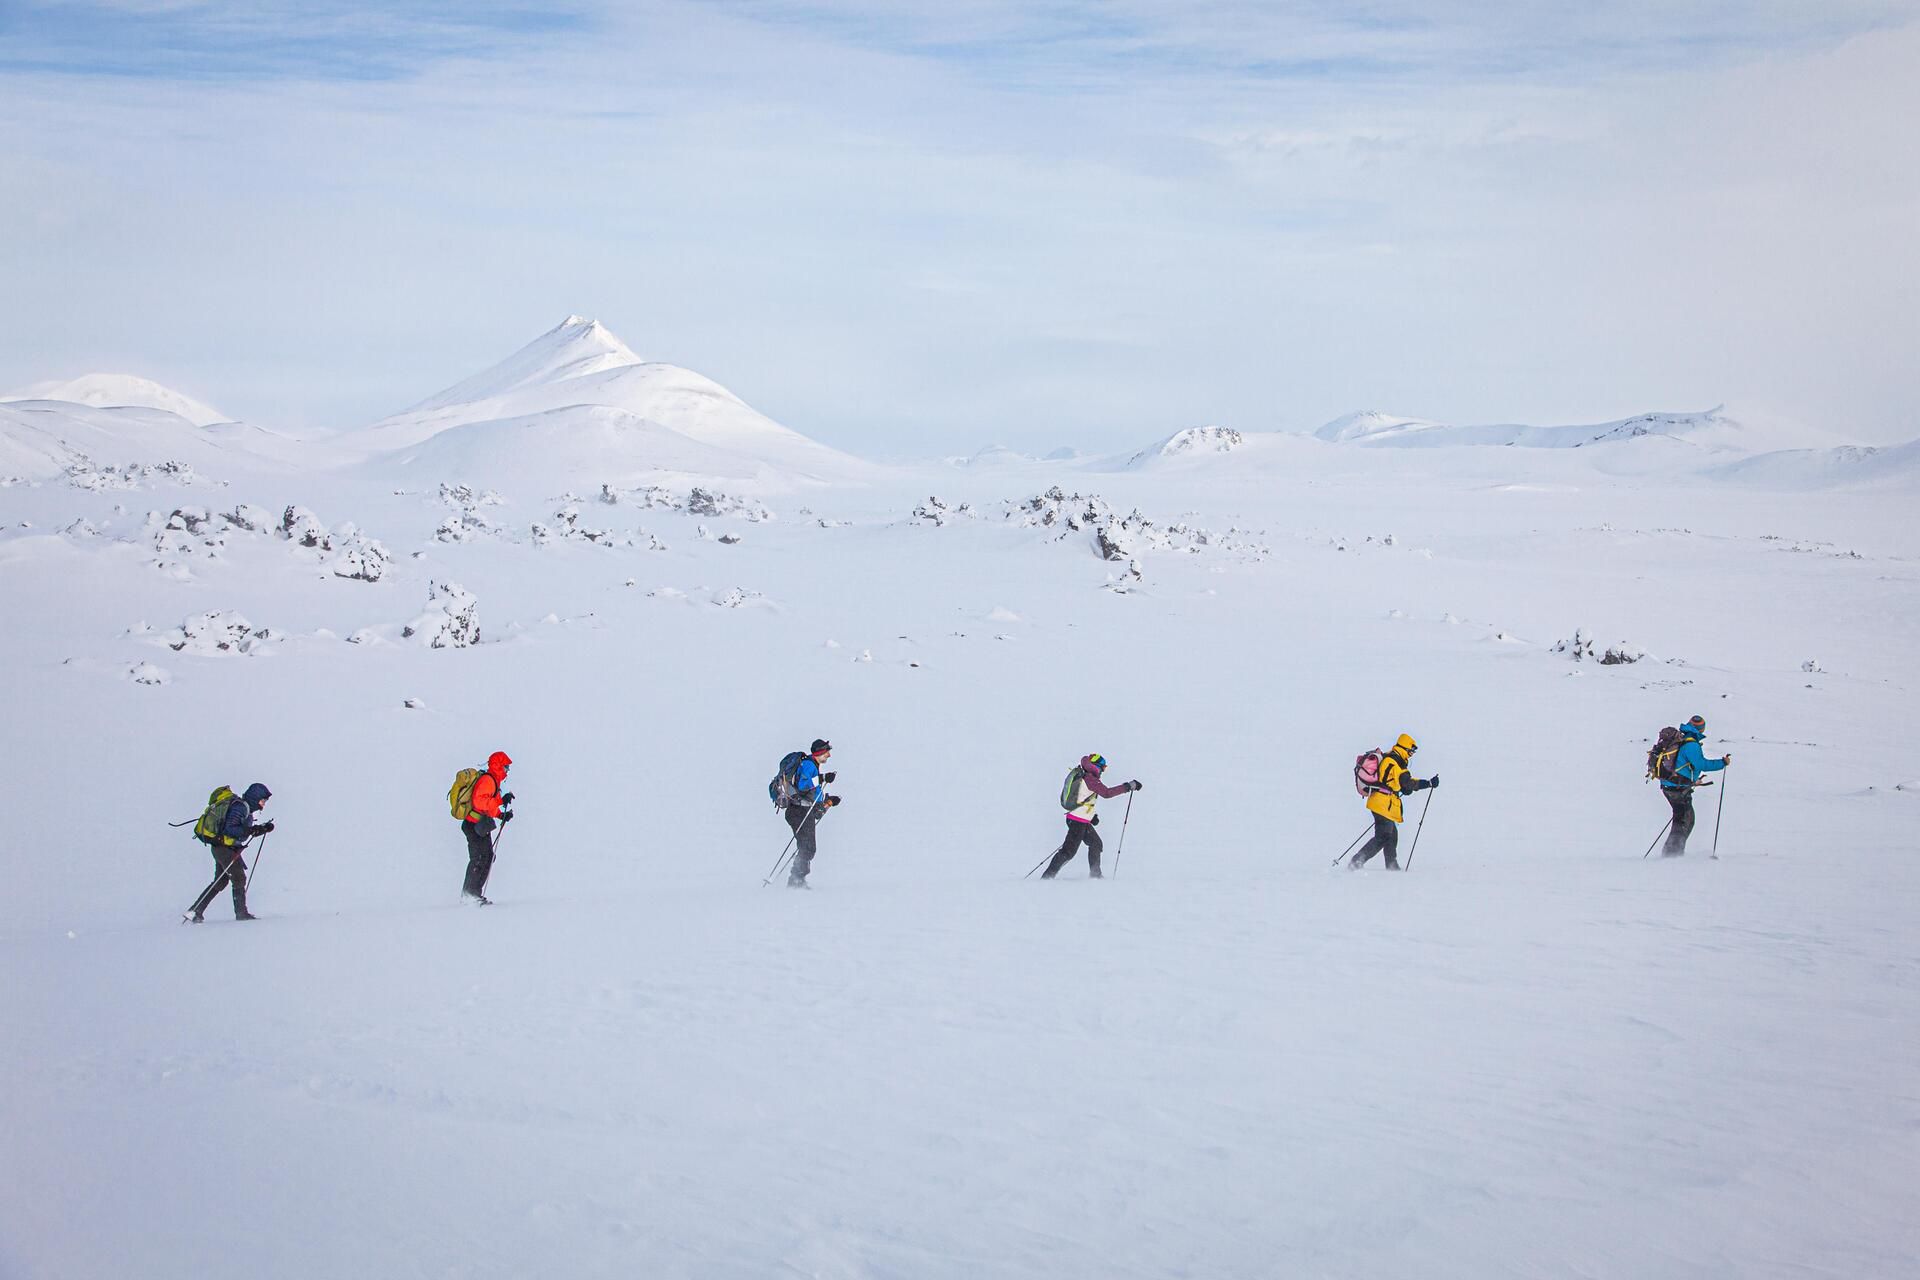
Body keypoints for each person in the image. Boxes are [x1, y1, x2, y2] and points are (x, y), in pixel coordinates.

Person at [1042, 753, 1141, 879]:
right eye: (1103, 767)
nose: (1104, 770)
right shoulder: (1090, 779)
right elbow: (1107, 793)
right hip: (1078, 821)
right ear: (1097, 766)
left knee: (1096, 844)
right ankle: (1047, 878)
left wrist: (1091, 816)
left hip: (1079, 819)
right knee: (1068, 852)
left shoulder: (1085, 775)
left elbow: (1084, 797)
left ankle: (1095, 875)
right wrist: (1128, 786)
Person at [186, 783, 273, 922]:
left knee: (221, 881)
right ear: (255, 798)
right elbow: (230, 829)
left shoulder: (245, 809)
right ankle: (241, 914)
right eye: (262, 800)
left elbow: (240, 831)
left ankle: (195, 911)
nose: (263, 804)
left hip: (222, 848)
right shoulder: (240, 808)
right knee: (239, 878)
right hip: (224, 849)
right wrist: (252, 830)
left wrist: (261, 829)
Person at [1350, 734, 1436, 870]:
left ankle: (1392, 867)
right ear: (1405, 748)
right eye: (1410, 751)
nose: (1411, 755)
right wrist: (1428, 783)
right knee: (1383, 836)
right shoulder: (1394, 762)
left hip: (1384, 804)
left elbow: (1400, 784)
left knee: (1391, 836)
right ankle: (1357, 861)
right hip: (1382, 804)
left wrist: (1406, 787)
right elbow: (1407, 784)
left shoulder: (1394, 759)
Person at [1660, 715, 1729, 856]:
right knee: (1685, 820)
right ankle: (1672, 855)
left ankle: (1672, 853)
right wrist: (1722, 763)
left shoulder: (1683, 740)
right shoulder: (1691, 744)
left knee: (1683, 818)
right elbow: (1701, 764)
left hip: (1671, 785)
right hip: (1677, 787)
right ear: (1701, 729)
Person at [783, 739, 840, 888]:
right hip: (798, 811)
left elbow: (812, 795)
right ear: (819, 752)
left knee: (807, 847)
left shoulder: (812, 765)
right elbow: (803, 786)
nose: (829, 755)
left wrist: (829, 802)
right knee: (807, 848)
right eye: (826, 752)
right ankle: (796, 880)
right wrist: (822, 778)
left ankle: (797, 879)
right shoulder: (808, 765)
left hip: (803, 810)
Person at [459, 751, 514, 905]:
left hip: (479, 825)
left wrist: (501, 814)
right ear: (498, 766)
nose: (507, 771)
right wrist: (499, 802)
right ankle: (470, 895)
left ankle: (473, 894)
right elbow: (479, 803)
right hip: (474, 825)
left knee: (487, 857)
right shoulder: (488, 780)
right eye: (506, 767)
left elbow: (487, 806)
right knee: (480, 858)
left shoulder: (492, 781)